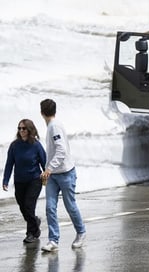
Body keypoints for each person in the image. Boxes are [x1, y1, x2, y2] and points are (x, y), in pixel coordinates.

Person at [39, 98, 86, 252]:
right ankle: (53, 240)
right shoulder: (52, 126)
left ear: (42, 113)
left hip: (65, 173)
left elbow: (61, 151)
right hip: (53, 176)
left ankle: (81, 232)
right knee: (50, 207)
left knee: (70, 205)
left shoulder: (54, 127)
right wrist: (49, 171)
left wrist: (48, 169)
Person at [2, 119, 46, 243]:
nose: (21, 130)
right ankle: (35, 222)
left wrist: (48, 176)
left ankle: (31, 233)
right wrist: (5, 180)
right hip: (19, 181)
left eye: (24, 128)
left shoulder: (36, 145)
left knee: (28, 206)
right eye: (19, 128)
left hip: (34, 180)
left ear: (29, 130)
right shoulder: (14, 145)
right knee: (23, 207)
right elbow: (9, 164)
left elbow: (44, 162)